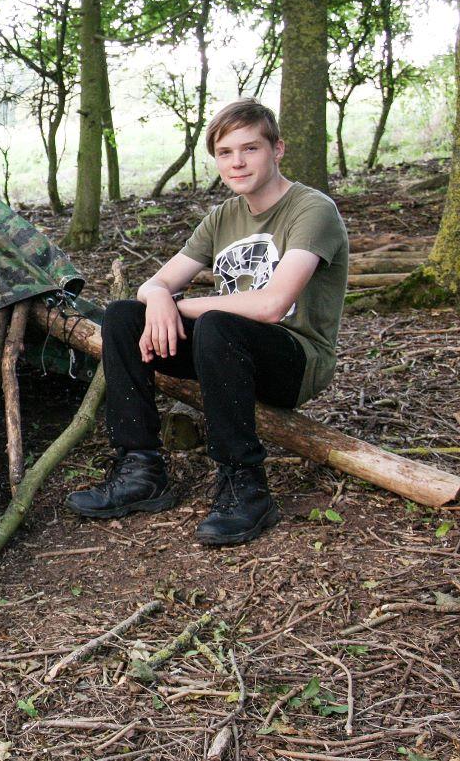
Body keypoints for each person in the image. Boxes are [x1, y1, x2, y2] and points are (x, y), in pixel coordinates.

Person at [66, 98, 349, 545]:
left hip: (293, 360)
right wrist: (159, 296)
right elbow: (155, 284)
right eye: (225, 153)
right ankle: (140, 468)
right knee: (122, 317)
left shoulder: (311, 209)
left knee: (217, 320)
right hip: (223, 350)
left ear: (277, 150)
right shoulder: (223, 216)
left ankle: (245, 487)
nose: (237, 162)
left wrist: (181, 306)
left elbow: (273, 305)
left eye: (250, 149)